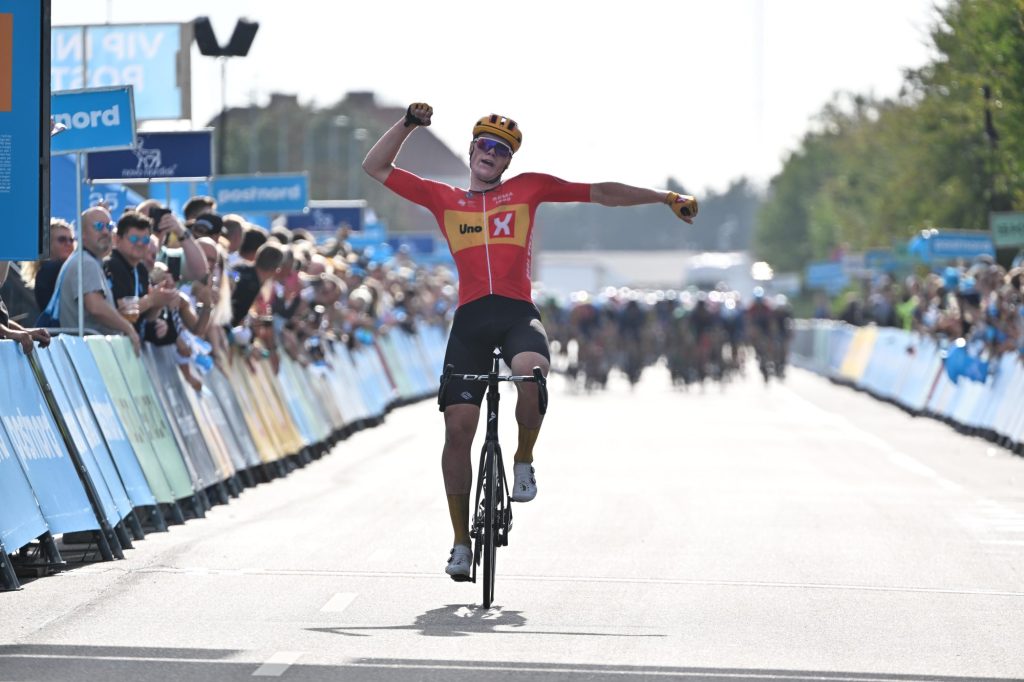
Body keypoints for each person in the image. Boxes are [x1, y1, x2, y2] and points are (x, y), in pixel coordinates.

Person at [363, 103, 698, 581]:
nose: (491, 154)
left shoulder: (528, 189)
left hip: (518, 314)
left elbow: (601, 193)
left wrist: (664, 197)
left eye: (502, 151)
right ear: (473, 149)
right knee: (458, 430)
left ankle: (523, 460)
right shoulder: (444, 198)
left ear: (508, 162)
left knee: (532, 375)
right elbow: (376, 168)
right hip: (471, 320)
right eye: (485, 145)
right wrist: (409, 126)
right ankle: (460, 542)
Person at [57, 206, 141, 352]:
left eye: (109, 226)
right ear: (82, 233)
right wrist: (128, 328)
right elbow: (96, 307)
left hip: (87, 350)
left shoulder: (86, 260)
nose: (105, 231)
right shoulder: (86, 262)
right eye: (98, 226)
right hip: (87, 353)